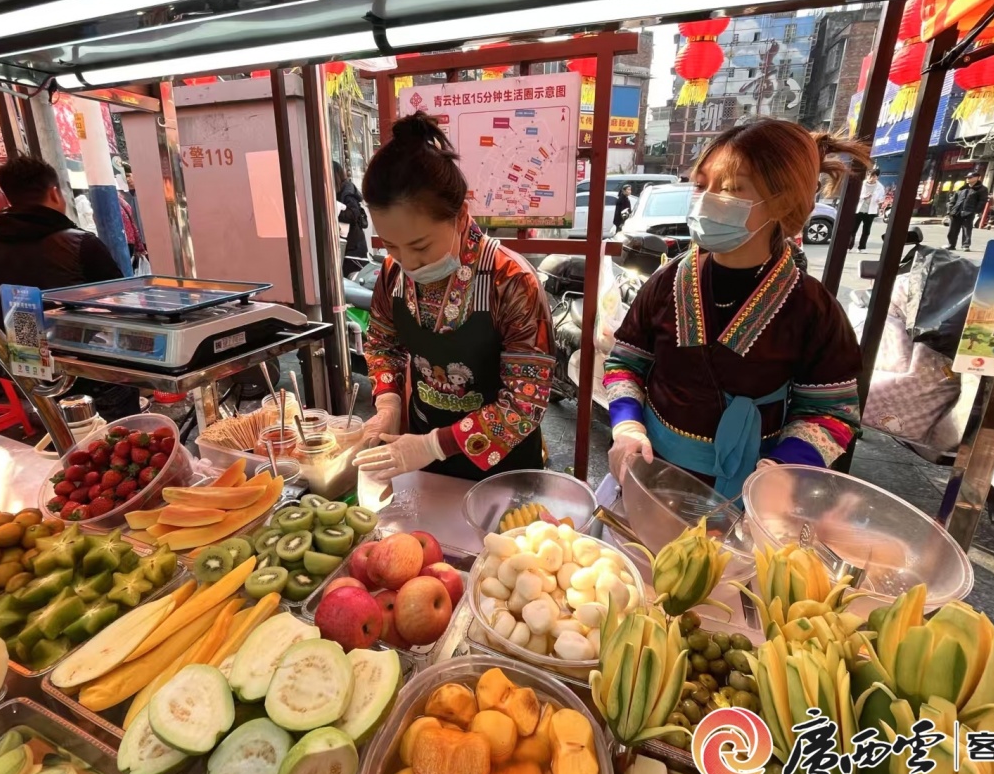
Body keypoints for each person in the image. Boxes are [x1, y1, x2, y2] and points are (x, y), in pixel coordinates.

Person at [603, 119, 866, 497]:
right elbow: (625, 363)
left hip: (749, 492)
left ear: (782, 201)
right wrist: (627, 425)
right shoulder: (668, 281)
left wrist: (783, 468)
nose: (706, 199)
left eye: (729, 189)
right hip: (651, 472)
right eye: (701, 185)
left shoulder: (812, 308)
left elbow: (831, 412)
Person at [353, 113, 554, 481]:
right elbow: (382, 344)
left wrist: (434, 444)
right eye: (392, 246)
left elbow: (525, 403)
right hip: (417, 455)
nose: (408, 262)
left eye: (420, 245)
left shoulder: (510, 282)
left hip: (503, 467)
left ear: (461, 217)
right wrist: (388, 403)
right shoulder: (392, 273)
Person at [0, 154, 140, 420]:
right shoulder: (80, 243)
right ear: (54, 193)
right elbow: (120, 307)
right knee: (117, 441)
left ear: (8, 197)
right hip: (86, 374)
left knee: (61, 441)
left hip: (20, 369)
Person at [334, 161, 369, 276]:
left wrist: (332, 211)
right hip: (350, 245)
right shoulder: (342, 189)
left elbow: (353, 215)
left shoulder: (347, 191)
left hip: (354, 247)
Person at [946, 170, 989, 251]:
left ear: (977, 178)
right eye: (967, 178)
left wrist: (976, 211)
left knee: (967, 229)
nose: (968, 179)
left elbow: (982, 201)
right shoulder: (962, 188)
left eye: (970, 177)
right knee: (952, 230)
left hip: (968, 212)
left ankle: (965, 245)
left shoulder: (982, 189)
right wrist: (950, 210)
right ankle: (951, 244)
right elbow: (953, 200)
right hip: (956, 212)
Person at [849, 167, 887, 250]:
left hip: (870, 212)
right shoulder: (861, 184)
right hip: (858, 210)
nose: (871, 178)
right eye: (869, 176)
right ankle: (849, 246)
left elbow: (882, 198)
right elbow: (855, 196)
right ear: (867, 176)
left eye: (873, 177)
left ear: (877, 177)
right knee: (853, 229)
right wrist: (864, 197)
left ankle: (861, 248)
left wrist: (880, 201)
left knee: (866, 231)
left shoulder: (880, 187)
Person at [118, 190, 147, 271]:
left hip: (123, 241)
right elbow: (133, 223)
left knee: (124, 269)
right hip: (130, 240)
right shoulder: (124, 203)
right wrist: (139, 246)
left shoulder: (113, 205)